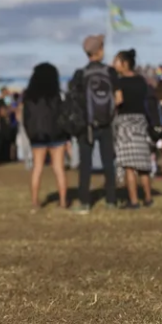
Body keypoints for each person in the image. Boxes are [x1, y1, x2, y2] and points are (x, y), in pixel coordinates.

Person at [69, 35, 121, 214]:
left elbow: (74, 100)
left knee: (85, 164)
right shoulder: (110, 72)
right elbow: (119, 98)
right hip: (106, 123)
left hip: (87, 125)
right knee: (108, 162)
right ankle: (111, 200)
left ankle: (84, 202)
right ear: (100, 51)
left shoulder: (80, 74)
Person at [22, 63, 68, 210]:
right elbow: (62, 116)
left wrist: (31, 135)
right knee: (59, 168)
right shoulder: (56, 96)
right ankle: (62, 201)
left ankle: (35, 202)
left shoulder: (30, 98)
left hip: (37, 136)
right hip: (57, 135)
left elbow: (26, 119)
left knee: (37, 168)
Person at [113, 49, 153, 208]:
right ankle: (148, 198)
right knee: (143, 164)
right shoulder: (141, 81)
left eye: (115, 61)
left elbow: (119, 100)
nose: (113, 64)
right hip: (141, 122)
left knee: (129, 165)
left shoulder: (119, 82)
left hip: (125, 123)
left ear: (124, 63)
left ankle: (134, 200)